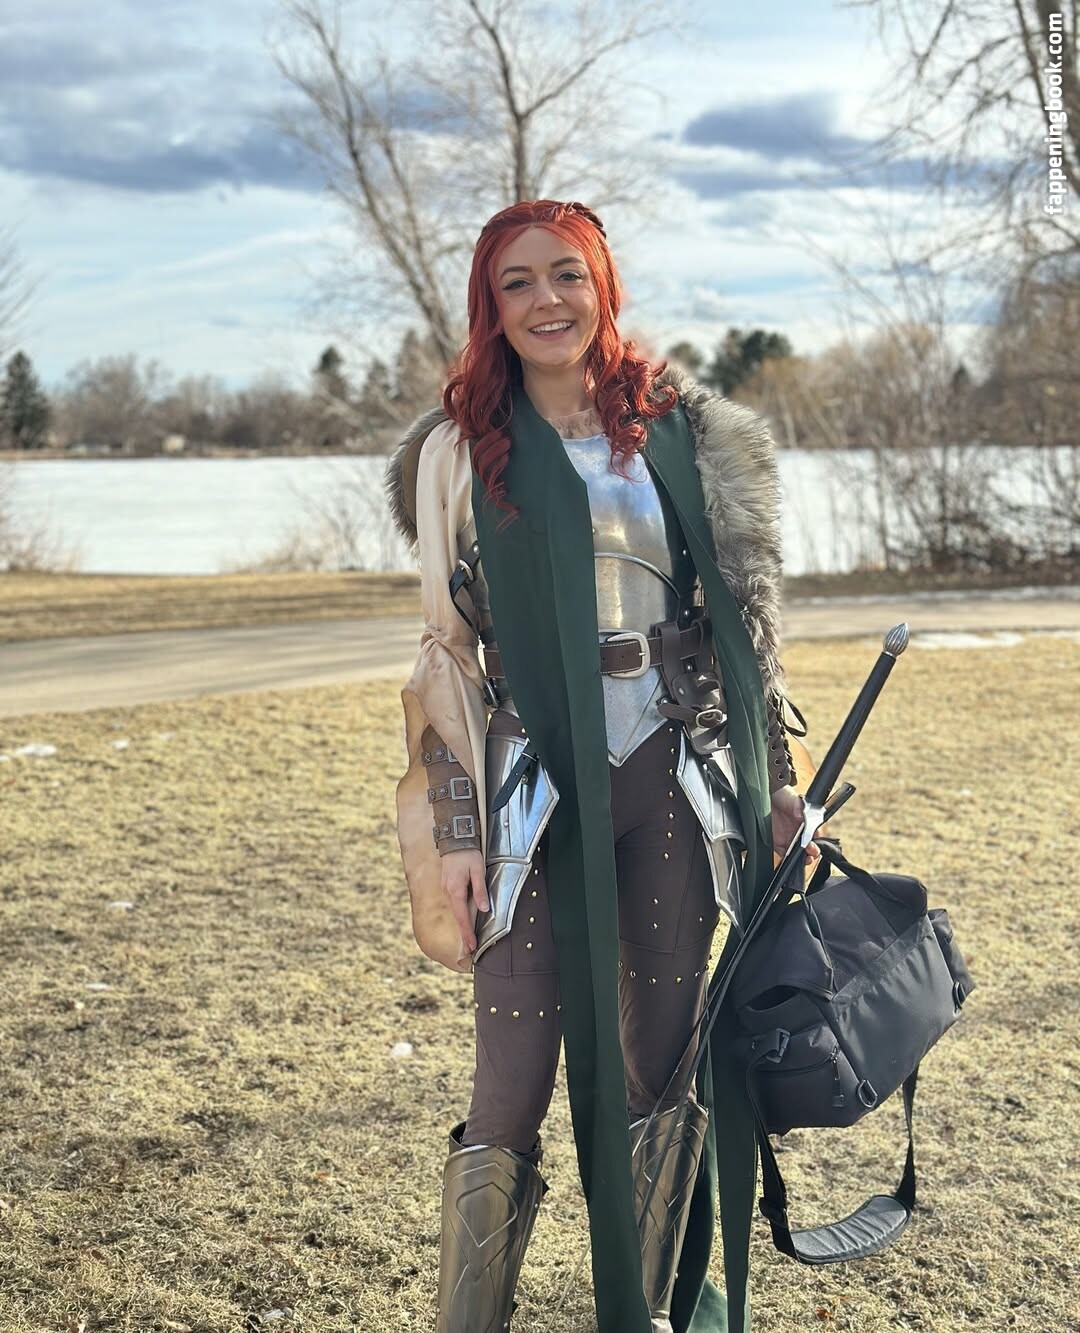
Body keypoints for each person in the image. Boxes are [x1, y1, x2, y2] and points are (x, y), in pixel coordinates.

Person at [384, 198, 818, 1333]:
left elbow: (743, 624)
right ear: (491, 306)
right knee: (513, 1069)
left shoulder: (682, 430)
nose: (546, 301)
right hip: (534, 782)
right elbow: (446, 654)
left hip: (672, 769)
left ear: (603, 286)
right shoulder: (455, 450)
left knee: (661, 1064)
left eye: (566, 275)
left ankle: (646, 1314)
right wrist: (461, 827)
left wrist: (775, 782)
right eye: (517, 282)